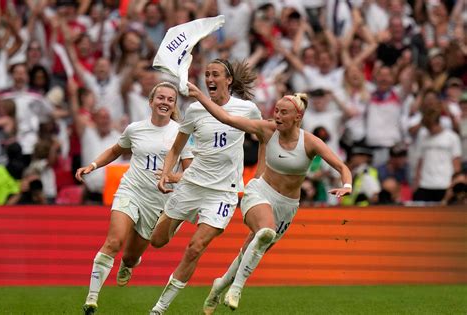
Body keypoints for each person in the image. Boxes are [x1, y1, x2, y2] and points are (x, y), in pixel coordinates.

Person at [184, 82, 352, 313]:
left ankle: (220, 285)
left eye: (284, 112)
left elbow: (341, 166)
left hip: (288, 205)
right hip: (260, 191)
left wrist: (347, 185)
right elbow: (227, 118)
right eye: (276, 111)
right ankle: (237, 289)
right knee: (265, 232)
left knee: (254, 248)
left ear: (298, 117)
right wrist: (200, 96)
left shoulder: (310, 142)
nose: (278, 116)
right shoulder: (267, 130)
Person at [148, 59, 263, 315]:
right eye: (207, 75)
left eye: (215, 74)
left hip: (223, 192)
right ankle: (175, 221)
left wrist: (262, 175)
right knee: (157, 241)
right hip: (192, 184)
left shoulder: (247, 109)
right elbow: (177, 148)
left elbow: (266, 137)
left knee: (195, 248)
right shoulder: (195, 110)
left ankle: (159, 307)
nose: (209, 78)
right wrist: (166, 173)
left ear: (228, 80)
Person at [77, 82, 193, 315]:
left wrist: (171, 176)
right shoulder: (135, 129)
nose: (165, 102)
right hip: (131, 190)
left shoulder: (181, 133)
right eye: (160, 98)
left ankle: (128, 264)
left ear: (174, 105)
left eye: (170, 99)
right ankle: (91, 299)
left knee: (130, 257)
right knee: (114, 242)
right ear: (151, 102)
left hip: (158, 201)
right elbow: (115, 151)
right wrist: (93, 165)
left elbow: (190, 171)